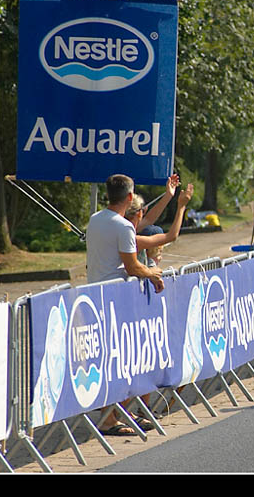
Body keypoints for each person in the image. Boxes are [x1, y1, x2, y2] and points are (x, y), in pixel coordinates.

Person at [85, 174, 165, 436]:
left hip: (97, 294)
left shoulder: (95, 219)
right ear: (129, 197)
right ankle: (109, 419)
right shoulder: (123, 226)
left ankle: (119, 413)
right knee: (117, 360)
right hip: (115, 300)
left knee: (118, 359)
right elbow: (132, 266)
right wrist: (153, 273)